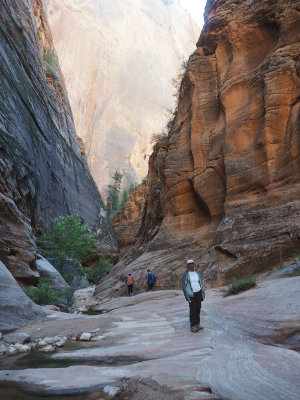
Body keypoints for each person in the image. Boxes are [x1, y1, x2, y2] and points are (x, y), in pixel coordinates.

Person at [182, 259, 205, 333]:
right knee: (193, 310)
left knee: (198, 308)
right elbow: (184, 286)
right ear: (187, 266)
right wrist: (187, 297)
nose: (191, 265)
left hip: (199, 292)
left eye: (192, 264)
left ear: (194, 265)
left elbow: (200, 283)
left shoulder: (197, 274)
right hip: (192, 294)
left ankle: (197, 324)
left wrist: (202, 293)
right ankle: (193, 325)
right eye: (189, 264)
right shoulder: (186, 274)